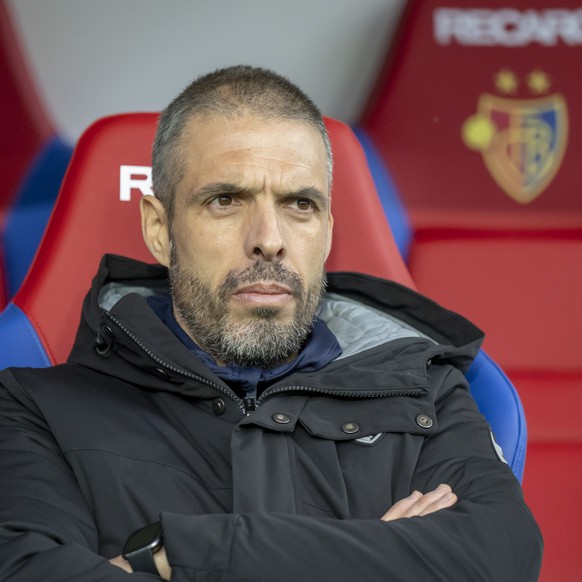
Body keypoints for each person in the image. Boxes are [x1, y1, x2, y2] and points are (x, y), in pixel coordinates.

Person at [0, 65, 542, 581]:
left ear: (327, 231)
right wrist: (371, 558)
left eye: (299, 204)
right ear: (160, 229)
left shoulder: (427, 388)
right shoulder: (32, 407)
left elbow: (502, 558)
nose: (269, 238)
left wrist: (168, 555)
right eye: (225, 200)